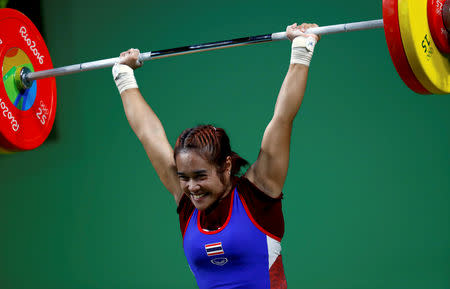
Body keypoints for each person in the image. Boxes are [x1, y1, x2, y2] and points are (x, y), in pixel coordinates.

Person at [112, 23, 320, 289]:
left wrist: (301, 49)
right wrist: (123, 74)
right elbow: (148, 133)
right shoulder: (187, 200)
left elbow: (282, 118)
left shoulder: (258, 192)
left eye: (200, 176)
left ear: (226, 166)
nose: (191, 187)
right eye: (184, 178)